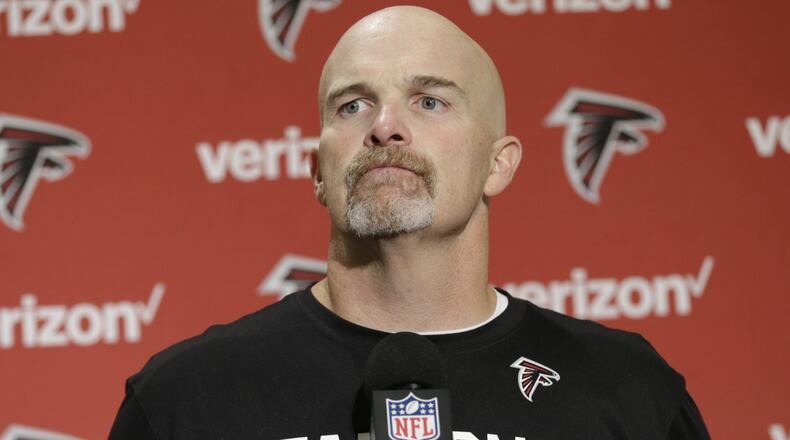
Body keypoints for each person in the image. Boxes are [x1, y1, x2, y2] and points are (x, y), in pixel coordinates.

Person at [109, 6, 710, 439]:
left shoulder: (627, 389)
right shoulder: (186, 399)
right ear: (319, 171)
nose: (385, 126)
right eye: (353, 105)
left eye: (430, 101)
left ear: (497, 165)